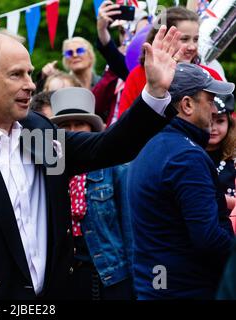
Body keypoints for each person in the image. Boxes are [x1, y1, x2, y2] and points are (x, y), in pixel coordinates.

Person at [0, 25, 184, 300]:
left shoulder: (39, 131)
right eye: (16, 75)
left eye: (30, 74)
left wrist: (155, 92)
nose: (30, 85)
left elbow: (108, 147)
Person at [128, 63, 235, 299]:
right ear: (187, 104)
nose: (213, 110)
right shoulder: (186, 156)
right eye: (209, 100)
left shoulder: (152, 144)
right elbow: (208, 238)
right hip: (185, 290)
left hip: (157, 285)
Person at [50, 87, 133, 300]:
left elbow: (130, 228)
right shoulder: (47, 172)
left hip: (111, 276)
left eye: (79, 124)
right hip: (66, 278)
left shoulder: (114, 167)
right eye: (65, 126)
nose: (73, 131)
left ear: (92, 129)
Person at [118, 6, 223, 118]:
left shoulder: (210, 76)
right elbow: (124, 126)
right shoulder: (138, 76)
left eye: (196, 39)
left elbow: (228, 122)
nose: (192, 46)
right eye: (184, 39)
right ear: (163, 38)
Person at [205, 94, 236, 229]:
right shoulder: (189, 154)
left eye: (220, 121)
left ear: (229, 123)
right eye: (209, 120)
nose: (213, 127)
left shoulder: (234, 157)